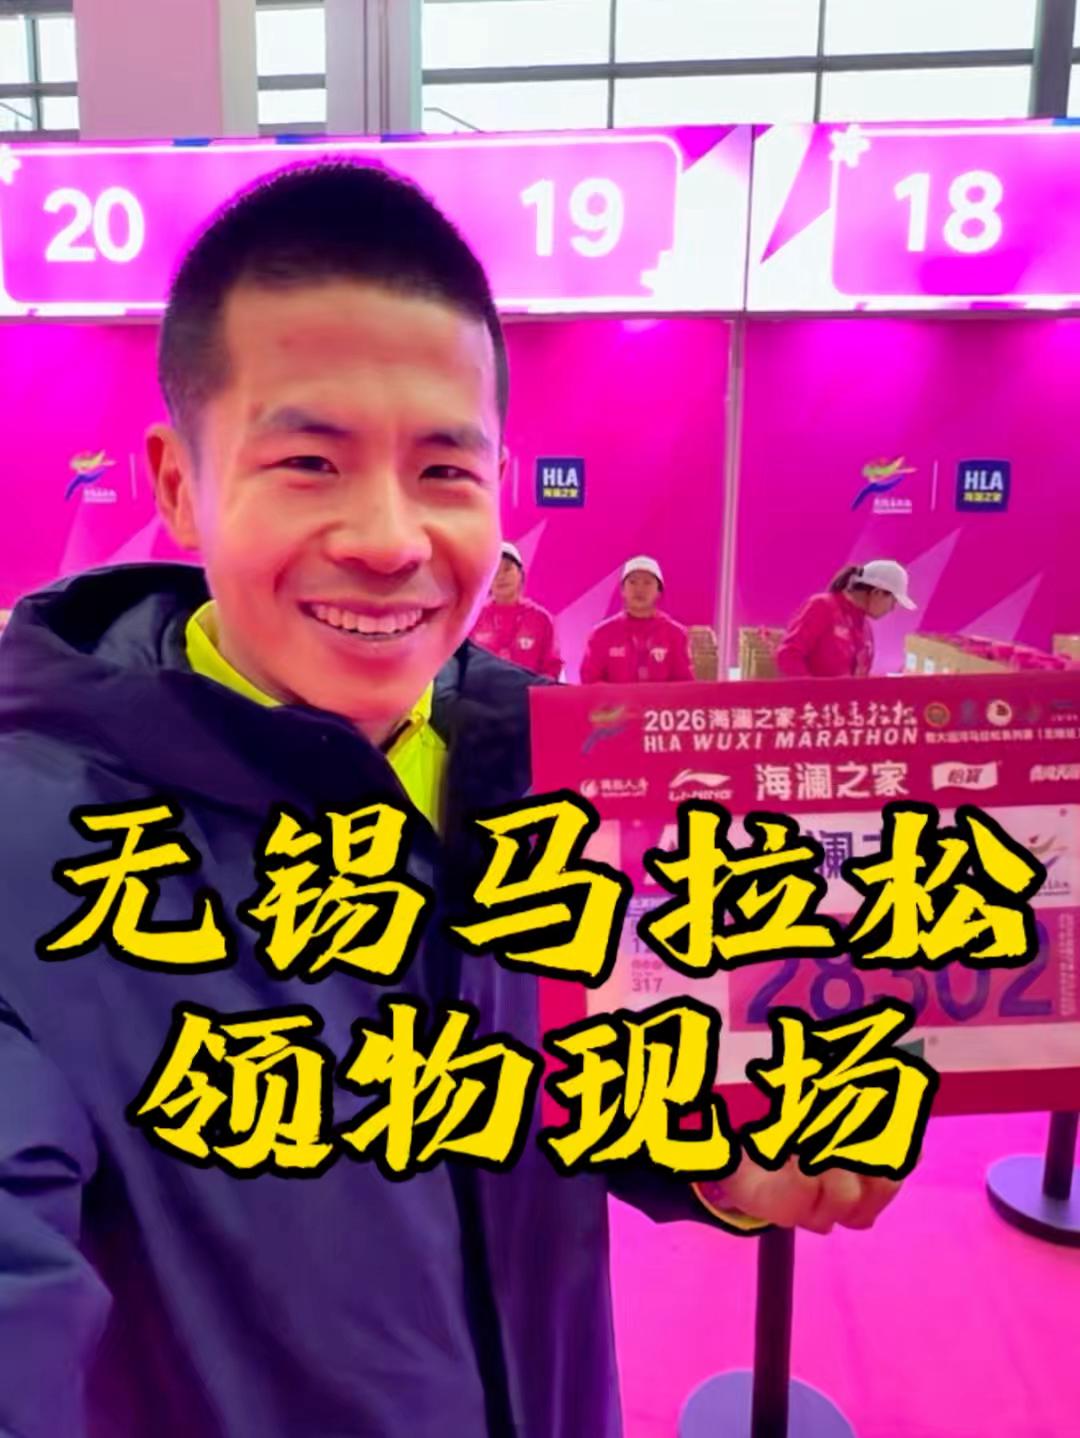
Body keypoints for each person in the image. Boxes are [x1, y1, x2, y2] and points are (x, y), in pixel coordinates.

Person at [0, 164, 900, 1438]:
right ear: (178, 482)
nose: (388, 539)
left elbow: (585, 1075)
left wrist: (724, 1158)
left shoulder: (552, 770)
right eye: (308, 461)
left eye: (443, 471)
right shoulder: (33, 850)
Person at [775, 558, 916, 679]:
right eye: (893, 601)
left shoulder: (865, 628)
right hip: (814, 701)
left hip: (844, 702)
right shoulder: (822, 607)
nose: (892, 608)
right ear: (877, 592)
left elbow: (857, 679)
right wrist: (812, 693)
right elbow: (788, 654)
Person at [581, 555, 693, 684]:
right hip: (616, 699)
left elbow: (684, 685)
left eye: (647, 582)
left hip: (659, 699)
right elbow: (590, 682)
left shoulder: (676, 634)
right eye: (633, 582)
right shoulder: (601, 634)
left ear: (659, 591)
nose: (639, 589)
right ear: (622, 590)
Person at [470, 539, 563, 677]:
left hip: (528, 690)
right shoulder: (473, 617)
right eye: (495, 571)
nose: (501, 577)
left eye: (507, 569)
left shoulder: (541, 619)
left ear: (520, 573)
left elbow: (552, 669)